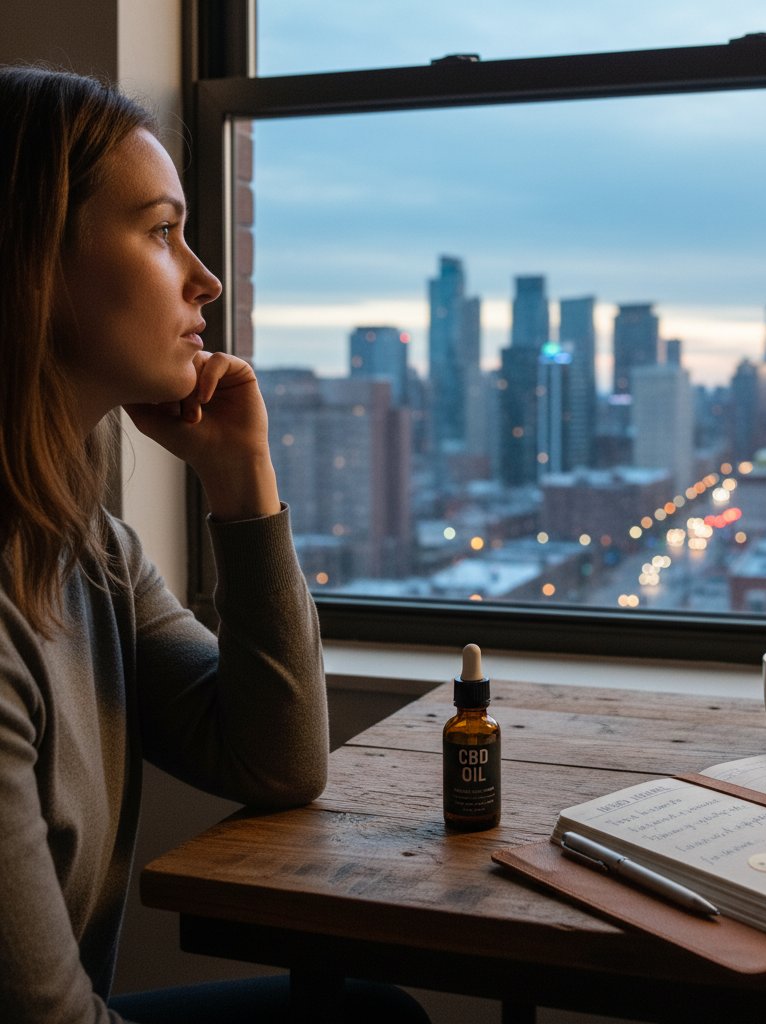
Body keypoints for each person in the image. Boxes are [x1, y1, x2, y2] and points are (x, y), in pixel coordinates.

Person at [0, 66, 429, 1023]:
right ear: (35, 261)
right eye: (160, 231)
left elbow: (274, 760)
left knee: (371, 1015)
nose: (207, 277)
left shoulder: (89, 553)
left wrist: (242, 482)